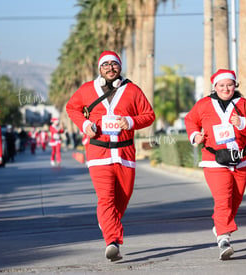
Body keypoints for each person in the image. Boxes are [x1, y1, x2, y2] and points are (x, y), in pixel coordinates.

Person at [66, 50, 155, 262]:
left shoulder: (132, 90)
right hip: (99, 153)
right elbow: (72, 108)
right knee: (105, 198)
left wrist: (131, 122)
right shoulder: (88, 89)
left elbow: (149, 115)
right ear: (99, 68)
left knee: (123, 196)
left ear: (119, 67)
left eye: (113, 64)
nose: (110, 68)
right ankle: (112, 241)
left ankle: (107, 221)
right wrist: (85, 124)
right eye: (105, 65)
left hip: (125, 153)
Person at [184, 69, 246, 260]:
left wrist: (243, 123)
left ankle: (220, 225)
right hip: (214, 160)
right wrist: (196, 135)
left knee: (234, 201)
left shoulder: (244, 104)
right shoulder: (204, 104)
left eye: (229, 85)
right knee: (223, 199)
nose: (226, 89)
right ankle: (223, 238)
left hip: (241, 159)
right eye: (222, 85)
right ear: (215, 87)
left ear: (235, 86)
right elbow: (190, 120)